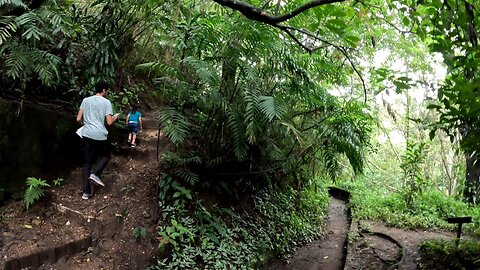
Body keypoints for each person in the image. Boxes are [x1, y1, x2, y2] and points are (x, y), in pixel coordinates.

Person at [76, 80, 119, 200]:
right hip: (100, 135)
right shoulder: (106, 102)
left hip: (87, 134)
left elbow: (78, 118)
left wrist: (86, 125)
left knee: (87, 163)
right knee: (105, 156)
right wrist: (115, 117)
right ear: (104, 90)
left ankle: (86, 192)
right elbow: (109, 122)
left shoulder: (86, 100)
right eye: (107, 90)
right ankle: (96, 173)